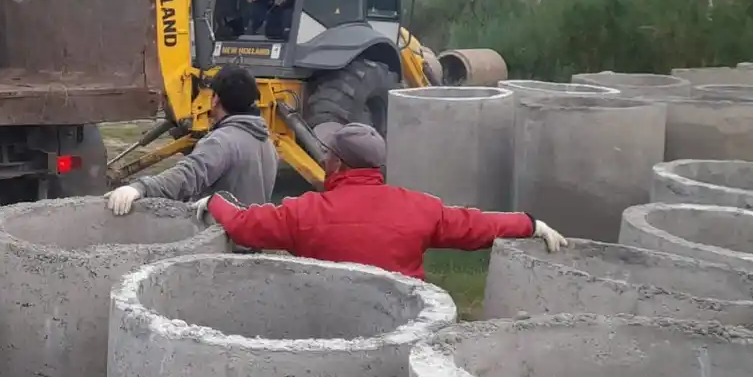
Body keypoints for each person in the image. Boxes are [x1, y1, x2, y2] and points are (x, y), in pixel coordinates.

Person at [195, 120, 567, 280]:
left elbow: (244, 227)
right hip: (406, 329)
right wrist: (530, 223)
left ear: (337, 162)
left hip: (331, 328)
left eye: (327, 156)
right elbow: (477, 225)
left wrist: (215, 201)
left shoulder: (303, 211)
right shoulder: (419, 207)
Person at [105, 66, 277, 215]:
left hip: (219, 242)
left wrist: (140, 188)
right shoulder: (266, 142)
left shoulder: (222, 141)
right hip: (250, 241)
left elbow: (188, 176)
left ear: (215, 99)